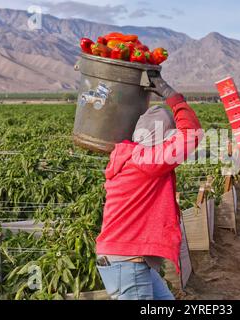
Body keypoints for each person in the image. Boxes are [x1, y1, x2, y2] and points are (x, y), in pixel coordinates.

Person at [95, 74, 203, 300]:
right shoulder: (148, 162)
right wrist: (172, 97)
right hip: (129, 263)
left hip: (127, 260)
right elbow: (192, 134)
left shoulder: (129, 155)